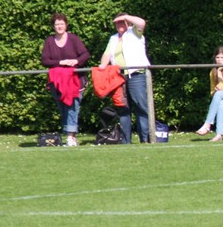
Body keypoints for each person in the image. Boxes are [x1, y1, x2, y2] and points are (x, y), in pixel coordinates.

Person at [98, 12, 152, 143]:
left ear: (127, 22)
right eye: (117, 23)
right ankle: (126, 141)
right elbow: (106, 55)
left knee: (141, 106)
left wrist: (126, 17)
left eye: (121, 22)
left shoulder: (134, 32)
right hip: (119, 76)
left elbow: (142, 23)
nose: (119, 25)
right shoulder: (113, 38)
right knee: (123, 108)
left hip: (136, 74)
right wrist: (102, 66)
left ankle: (145, 138)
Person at [40, 13, 90, 147]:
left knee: (73, 107)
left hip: (75, 80)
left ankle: (70, 137)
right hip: (57, 82)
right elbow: (45, 60)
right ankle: (69, 134)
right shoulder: (49, 41)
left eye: (61, 24)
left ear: (66, 25)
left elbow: (85, 54)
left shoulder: (74, 39)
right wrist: (61, 62)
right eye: (57, 24)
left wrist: (76, 61)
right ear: (53, 26)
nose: (59, 26)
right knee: (63, 109)